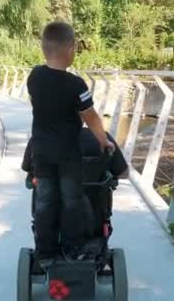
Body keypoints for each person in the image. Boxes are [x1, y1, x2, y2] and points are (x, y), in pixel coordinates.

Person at [26, 21, 114, 265]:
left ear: (45, 49)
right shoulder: (77, 85)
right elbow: (91, 118)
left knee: (45, 201)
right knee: (71, 200)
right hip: (68, 155)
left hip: (41, 153)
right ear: (70, 49)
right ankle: (73, 247)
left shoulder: (34, 76)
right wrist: (104, 141)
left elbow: (40, 105)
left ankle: (45, 251)